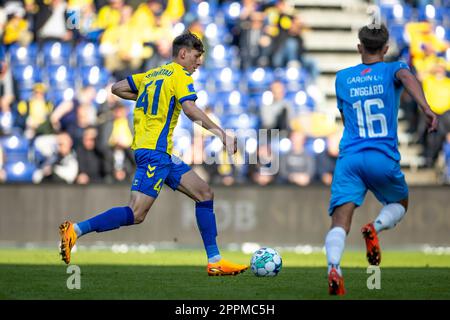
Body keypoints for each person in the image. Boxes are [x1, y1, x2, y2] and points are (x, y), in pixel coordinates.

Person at [59, 32, 248, 276]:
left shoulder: (152, 74)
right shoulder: (180, 75)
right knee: (136, 213)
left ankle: (215, 261)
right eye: (196, 56)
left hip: (162, 154)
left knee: (204, 193)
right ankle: (76, 230)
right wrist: (221, 134)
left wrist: (149, 96)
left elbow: (117, 88)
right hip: (154, 152)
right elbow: (190, 109)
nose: (199, 62)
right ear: (183, 53)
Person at [325, 24, 438, 295]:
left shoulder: (342, 78)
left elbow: (344, 112)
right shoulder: (393, 69)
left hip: (350, 158)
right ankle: (374, 227)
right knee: (400, 202)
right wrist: (425, 108)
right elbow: (408, 78)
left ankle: (334, 268)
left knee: (340, 221)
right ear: (386, 49)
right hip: (382, 156)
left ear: (359, 47)